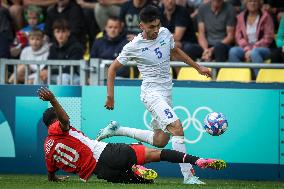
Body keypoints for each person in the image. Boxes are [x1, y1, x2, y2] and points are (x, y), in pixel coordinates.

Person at [98, 5, 212, 184]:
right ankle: (189, 176)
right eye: (151, 27)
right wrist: (110, 96)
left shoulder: (165, 33)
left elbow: (175, 51)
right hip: (151, 93)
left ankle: (118, 130)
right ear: (141, 26)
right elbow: (112, 69)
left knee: (160, 141)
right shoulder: (133, 46)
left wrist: (198, 67)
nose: (156, 30)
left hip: (166, 92)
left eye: (158, 25)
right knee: (177, 128)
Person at [38, 87, 226, 183]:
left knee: (148, 182)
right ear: (53, 122)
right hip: (108, 152)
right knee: (159, 154)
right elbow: (64, 121)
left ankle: (135, 171)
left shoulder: (48, 148)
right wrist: (53, 99)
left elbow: (51, 173)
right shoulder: (58, 128)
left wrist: (55, 179)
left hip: (103, 173)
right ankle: (198, 161)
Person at [228, 0, 274, 76]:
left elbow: (268, 38)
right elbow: (238, 36)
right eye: (250, 1)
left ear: (259, 3)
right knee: (233, 51)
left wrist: (252, 49)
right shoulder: (241, 17)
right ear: (246, 3)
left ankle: (260, 80)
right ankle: (241, 77)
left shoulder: (266, 16)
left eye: (255, 1)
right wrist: (247, 49)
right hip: (246, 48)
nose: (252, 3)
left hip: (264, 48)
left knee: (255, 52)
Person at [47, 18, 84, 85]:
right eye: (57, 32)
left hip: (75, 77)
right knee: (39, 76)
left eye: (63, 31)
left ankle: (62, 96)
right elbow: (49, 64)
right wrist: (43, 72)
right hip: (58, 75)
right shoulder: (53, 47)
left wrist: (49, 71)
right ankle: (38, 96)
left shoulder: (76, 47)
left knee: (63, 77)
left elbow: (70, 69)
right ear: (54, 33)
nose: (60, 35)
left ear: (68, 33)